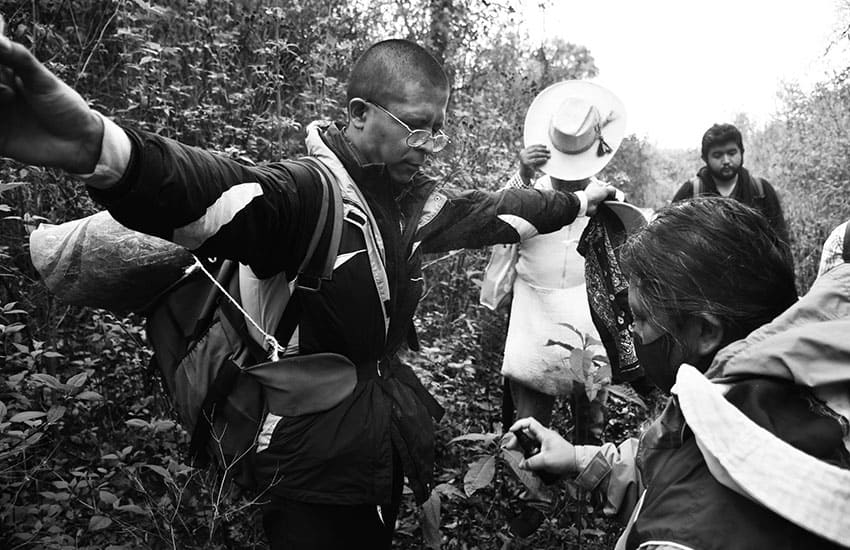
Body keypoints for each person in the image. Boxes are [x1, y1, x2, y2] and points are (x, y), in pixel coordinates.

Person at [0, 24, 618, 549]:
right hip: (309, 464)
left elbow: (501, 212)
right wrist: (99, 147)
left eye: (438, 132)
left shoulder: (411, 206)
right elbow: (216, 188)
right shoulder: (306, 196)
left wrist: (578, 200)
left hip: (373, 446)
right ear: (357, 114)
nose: (428, 149)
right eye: (416, 129)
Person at [507, 197, 850, 549]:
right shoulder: (757, 401)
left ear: (705, 332)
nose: (634, 334)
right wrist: (578, 458)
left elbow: (687, 491)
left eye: (639, 317)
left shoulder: (678, 535)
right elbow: (675, 463)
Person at [479, 80, 636, 537]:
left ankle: (589, 505)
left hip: (590, 322)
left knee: (593, 415)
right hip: (533, 319)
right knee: (528, 422)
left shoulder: (610, 200)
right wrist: (521, 178)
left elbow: (625, 260)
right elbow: (496, 224)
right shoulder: (528, 193)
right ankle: (530, 510)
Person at [671, 123, 792, 268]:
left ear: (742, 152)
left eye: (732, 153)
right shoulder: (691, 192)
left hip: (756, 278)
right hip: (706, 279)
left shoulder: (761, 191)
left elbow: (781, 242)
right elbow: (671, 242)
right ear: (705, 158)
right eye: (717, 155)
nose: (726, 161)